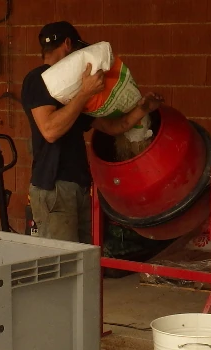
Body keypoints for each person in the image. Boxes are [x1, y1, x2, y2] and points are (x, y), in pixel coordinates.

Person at [20, 21, 163, 243]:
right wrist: (85, 93)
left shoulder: (72, 91)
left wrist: (143, 109)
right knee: (63, 261)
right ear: (68, 45)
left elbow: (113, 127)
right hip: (54, 187)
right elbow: (50, 130)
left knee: (84, 258)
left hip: (78, 184)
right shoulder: (38, 79)